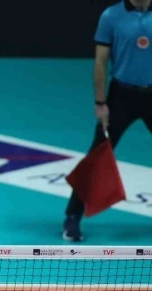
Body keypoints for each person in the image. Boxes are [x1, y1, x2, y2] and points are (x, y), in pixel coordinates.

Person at [63, 0, 152, 242]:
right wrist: (101, 103)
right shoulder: (111, 16)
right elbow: (100, 62)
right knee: (96, 155)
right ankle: (73, 216)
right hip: (121, 96)